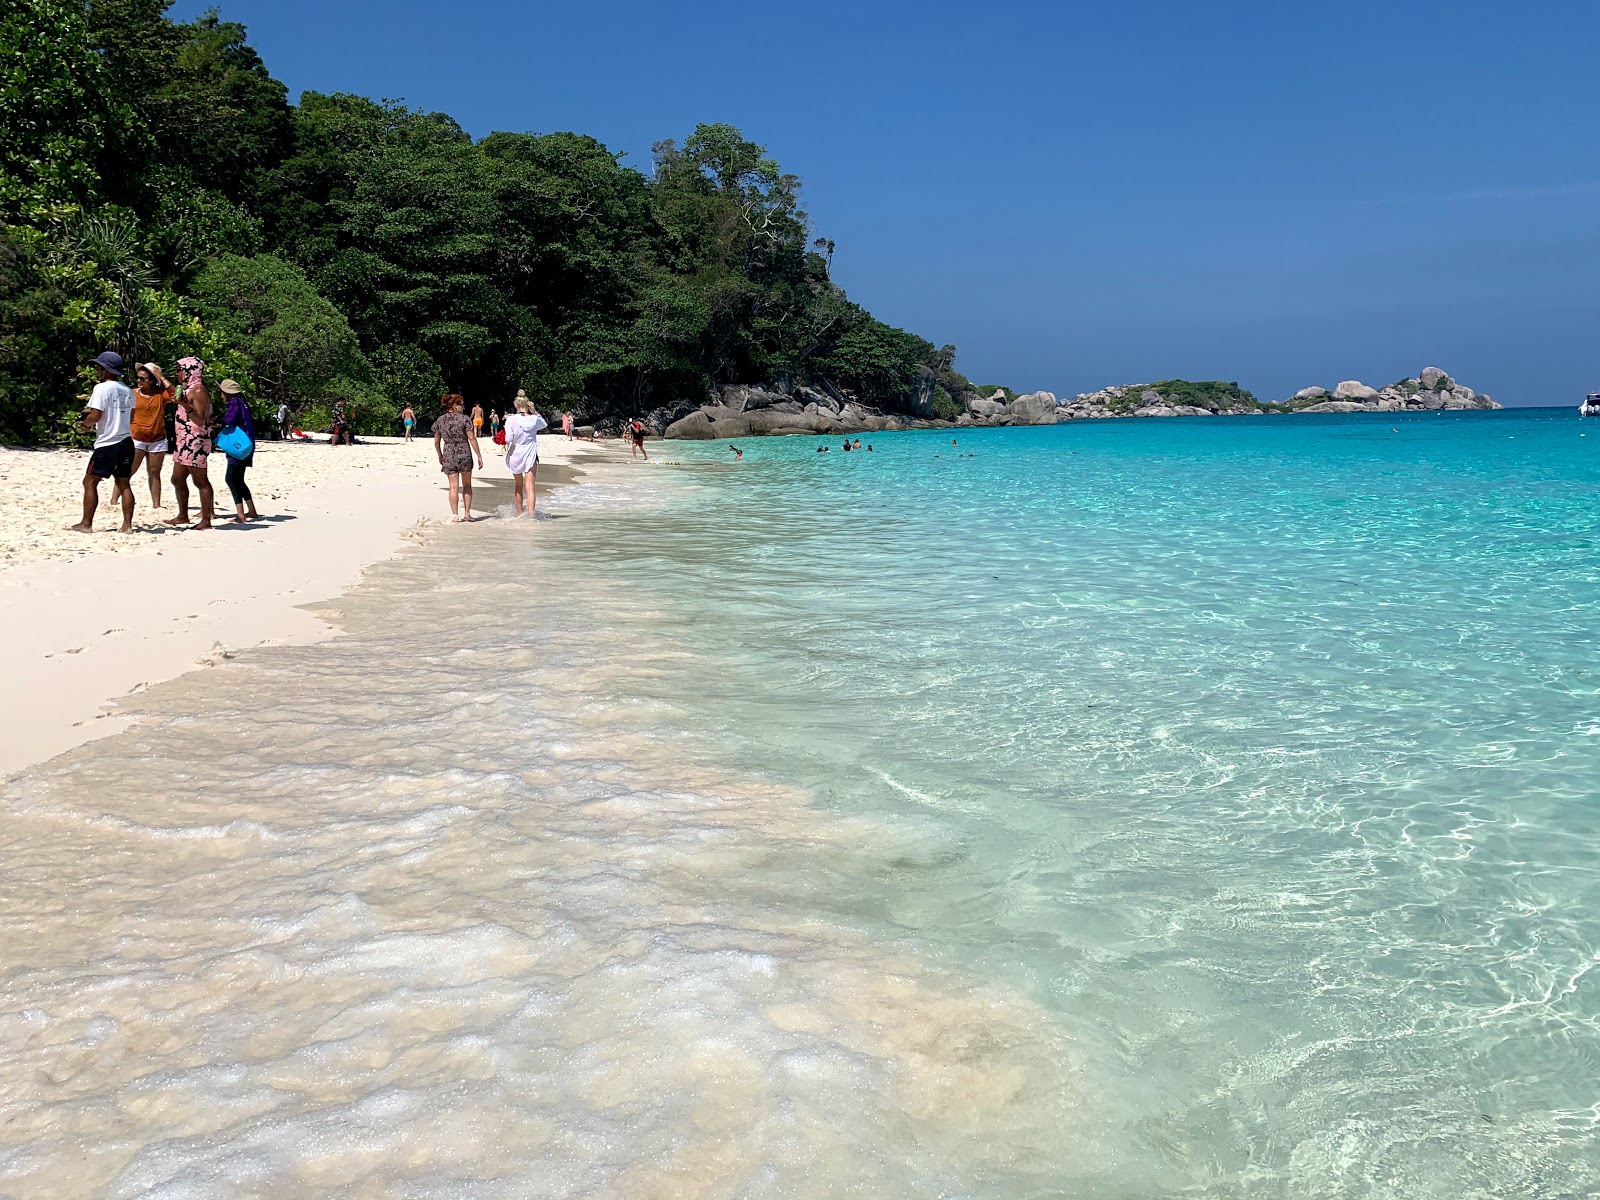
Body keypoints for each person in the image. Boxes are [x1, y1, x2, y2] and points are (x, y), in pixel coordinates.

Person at [70, 351, 137, 534]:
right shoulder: (128, 390)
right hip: (126, 442)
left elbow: (96, 415)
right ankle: (127, 526)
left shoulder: (101, 389)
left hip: (108, 444)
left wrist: (85, 424)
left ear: (105, 369)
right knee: (124, 483)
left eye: (99, 366)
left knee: (90, 481)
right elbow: (131, 417)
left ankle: (86, 523)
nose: (97, 369)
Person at [166, 356, 215, 530]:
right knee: (177, 479)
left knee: (201, 481)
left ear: (190, 371)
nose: (178, 373)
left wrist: (185, 405)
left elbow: (201, 420)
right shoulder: (187, 389)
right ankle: (182, 515)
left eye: (180, 370)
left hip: (195, 441)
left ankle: (206, 520)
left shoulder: (199, 390)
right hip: (183, 441)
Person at [129, 362, 174, 509]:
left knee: (155, 473)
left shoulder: (160, 395)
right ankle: (115, 499)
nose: (139, 381)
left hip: (158, 439)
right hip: (136, 437)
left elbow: (176, 395)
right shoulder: (132, 394)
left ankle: (156, 505)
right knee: (129, 471)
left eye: (143, 379)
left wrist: (161, 377)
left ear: (152, 381)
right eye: (138, 378)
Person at [433, 393, 482, 522]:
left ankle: (455, 515)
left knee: (453, 487)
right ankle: (467, 513)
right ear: (454, 406)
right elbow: (472, 438)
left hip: (448, 453)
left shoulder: (440, 420)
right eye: (461, 405)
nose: (463, 407)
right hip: (464, 453)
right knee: (467, 485)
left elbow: (437, 441)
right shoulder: (464, 419)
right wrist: (479, 455)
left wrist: (440, 455)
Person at [218, 379, 260, 523]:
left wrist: (214, 421)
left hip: (238, 446)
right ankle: (252, 510)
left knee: (230, 478)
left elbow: (229, 419)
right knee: (239, 479)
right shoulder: (242, 402)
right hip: (247, 444)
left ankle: (240, 515)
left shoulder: (234, 402)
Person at [504, 396, 549, 518]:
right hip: (530, 453)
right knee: (530, 487)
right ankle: (531, 515)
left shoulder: (511, 419)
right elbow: (544, 424)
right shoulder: (534, 419)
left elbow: (508, 438)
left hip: (515, 453)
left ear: (516, 406)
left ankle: (519, 513)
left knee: (518, 485)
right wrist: (534, 411)